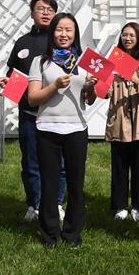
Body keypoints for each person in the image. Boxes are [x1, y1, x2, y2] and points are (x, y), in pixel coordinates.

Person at [27, 13, 98, 248]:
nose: (64, 34)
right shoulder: (40, 62)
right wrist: (54, 86)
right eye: (59, 30)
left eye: (69, 30)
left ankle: (72, 234)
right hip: (47, 128)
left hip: (77, 128)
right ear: (52, 33)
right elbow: (32, 98)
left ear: (75, 34)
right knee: (50, 182)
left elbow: (88, 100)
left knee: (76, 183)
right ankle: (49, 234)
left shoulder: (84, 61)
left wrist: (90, 88)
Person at [3, 0, 67, 223]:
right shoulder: (22, 43)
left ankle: (57, 203)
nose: (46, 13)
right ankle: (34, 204)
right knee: (31, 162)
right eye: (41, 9)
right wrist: (8, 84)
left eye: (50, 9)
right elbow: (14, 76)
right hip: (29, 113)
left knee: (59, 164)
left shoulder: (63, 43)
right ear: (32, 14)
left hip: (57, 114)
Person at [105, 22, 139, 222]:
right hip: (119, 118)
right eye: (124, 35)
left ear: (138, 37)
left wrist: (135, 79)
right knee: (119, 166)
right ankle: (120, 205)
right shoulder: (113, 60)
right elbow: (104, 92)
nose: (128, 38)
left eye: (132, 35)